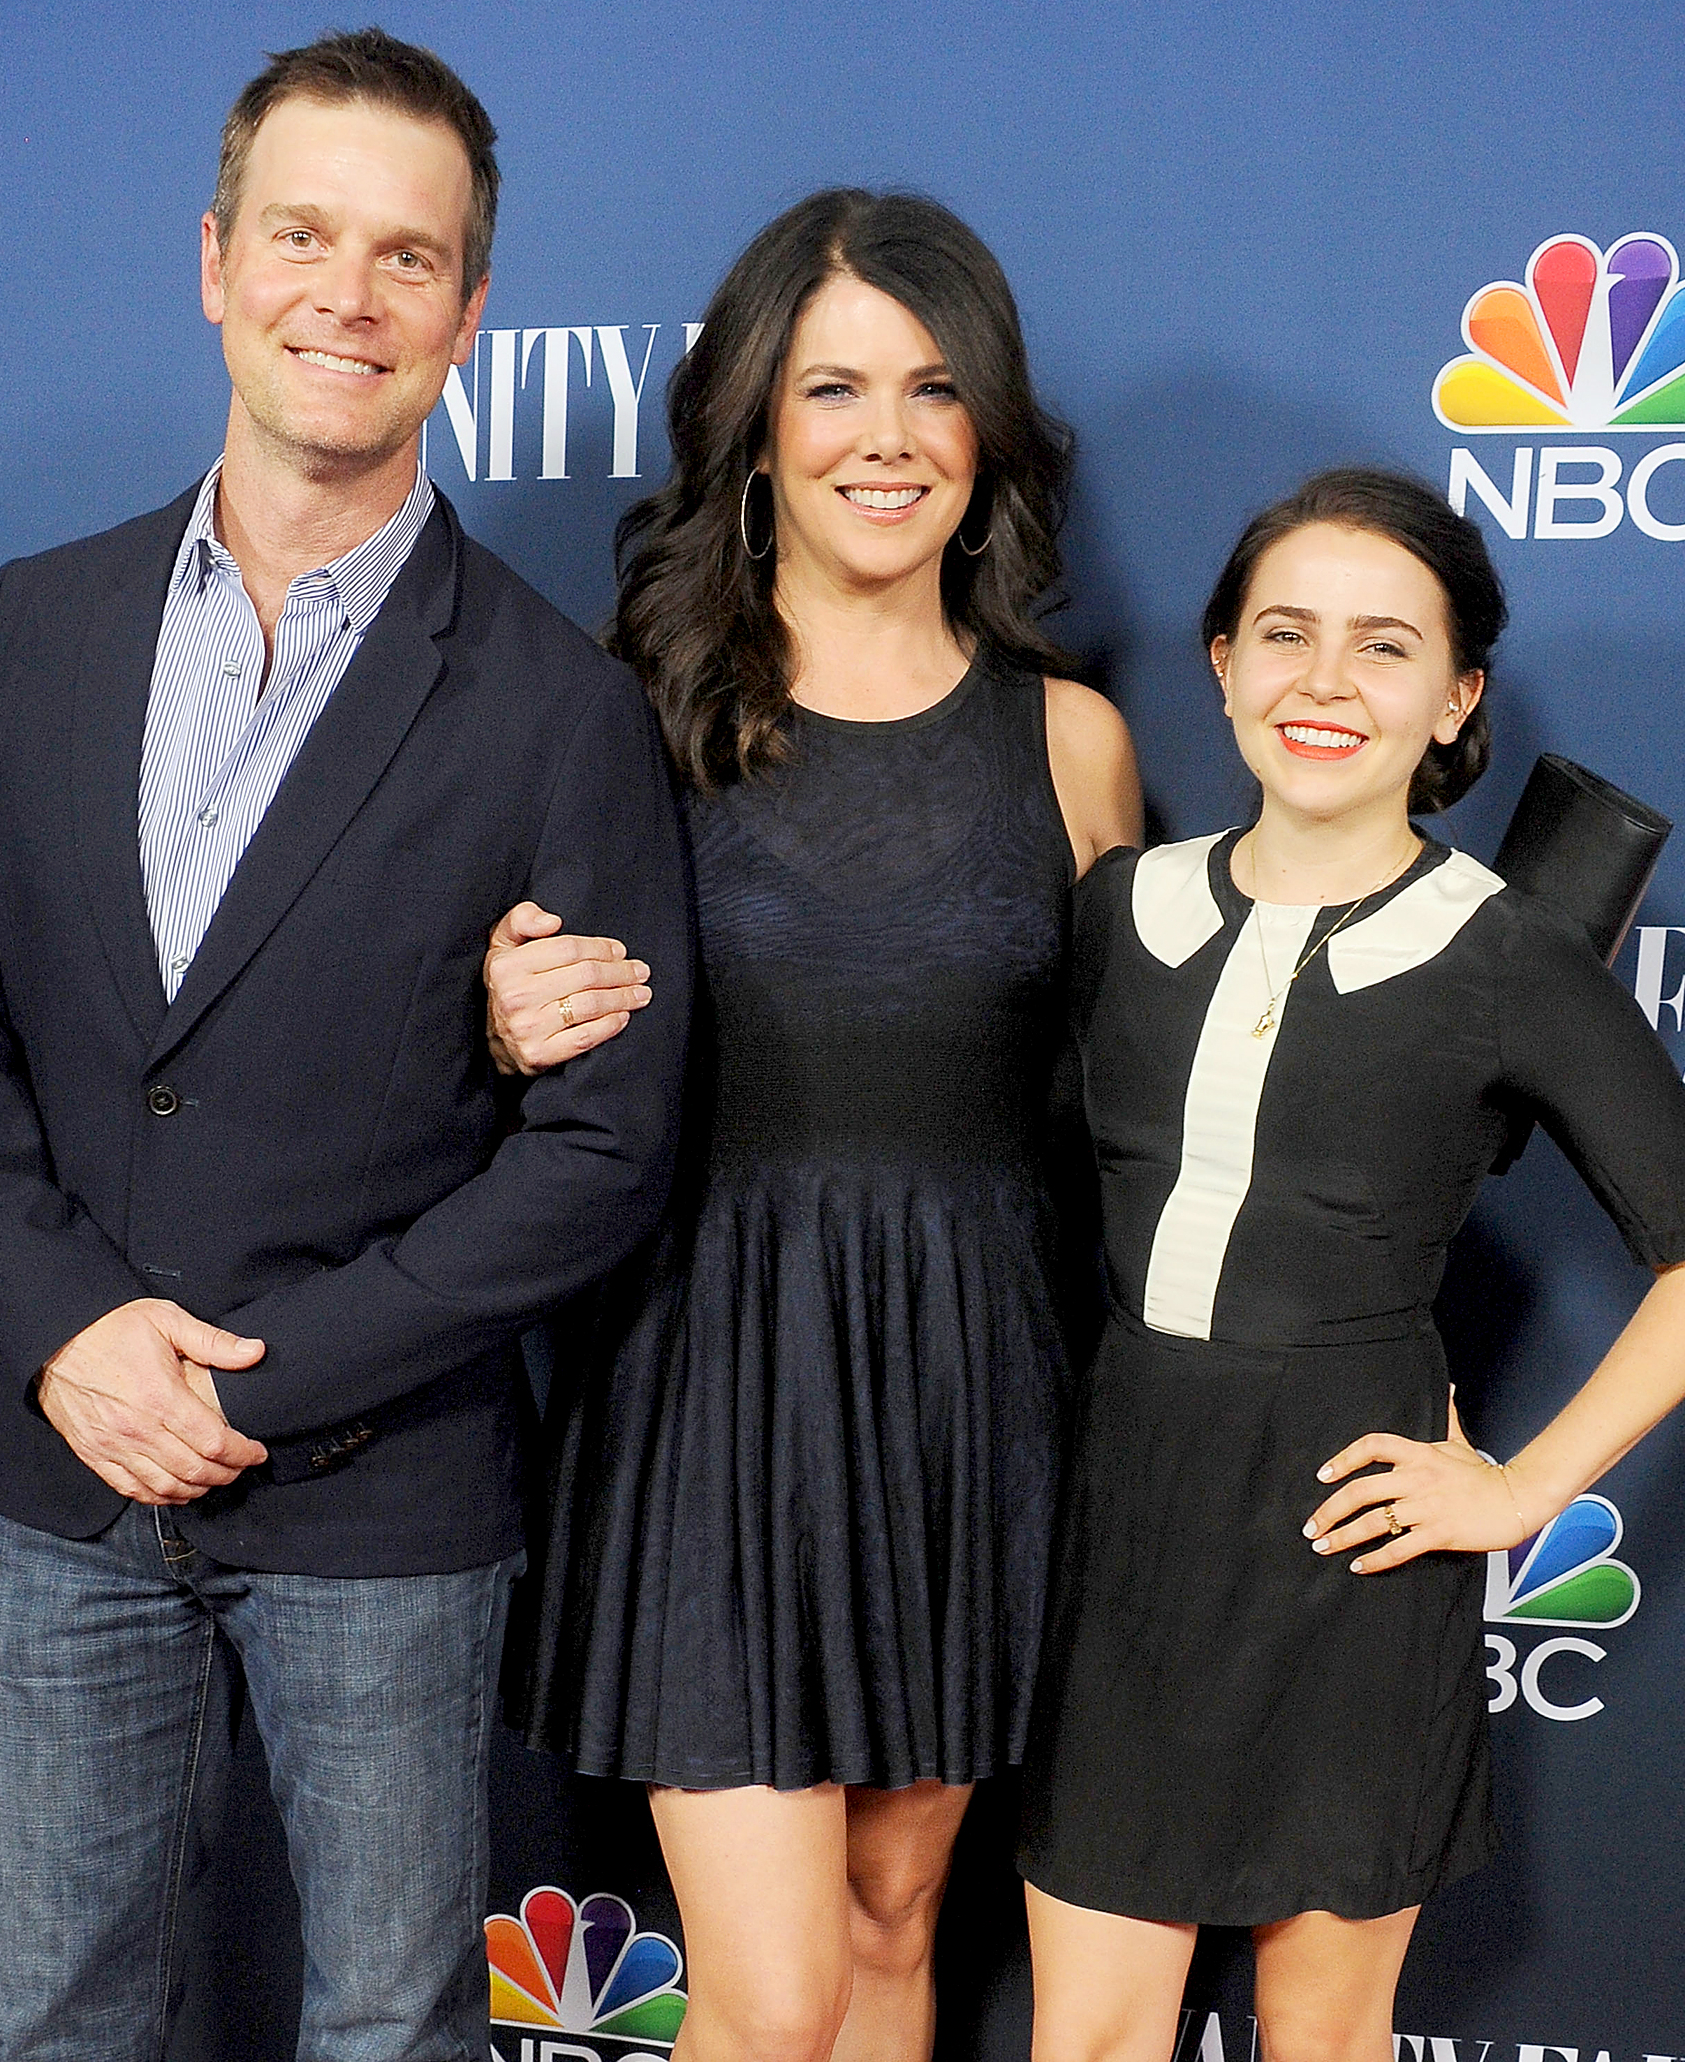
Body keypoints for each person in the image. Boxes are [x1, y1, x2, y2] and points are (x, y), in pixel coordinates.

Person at [0, 30, 690, 2062]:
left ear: (470, 312)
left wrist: (257, 1378)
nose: (350, 295)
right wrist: (77, 1333)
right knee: (56, 2017)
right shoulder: (31, 624)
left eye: (409, 257)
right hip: (62, 1464)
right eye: (304, 237)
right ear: (216, 261)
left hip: (379, 1492)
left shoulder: (559, 706)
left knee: (392, 2025)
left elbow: (600, 1149)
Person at [481, 189, 1142, 2062]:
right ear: (757, 427)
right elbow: (481, 1035)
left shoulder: (1072, 741)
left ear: (987, 429)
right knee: (769, 1999)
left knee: (891, 1918)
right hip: (708, 1379)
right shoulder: (624, 716)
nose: (887, 436)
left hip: (976, 1390)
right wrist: (500, 1019)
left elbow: (1153, 1102)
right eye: (834, 387)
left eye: (933, 388)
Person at [1015, 468, 1685, 2062]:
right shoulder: (1118, 912)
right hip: (1129, 1532)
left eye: (1384, 646)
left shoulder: (1509, 953)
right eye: (1285, 633)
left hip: (1351, 1555)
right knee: (1088, 2039)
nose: (1326, 682)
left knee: (1323, 2035)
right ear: (1222, 662)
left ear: (1457, 697)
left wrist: (1522, 1487)